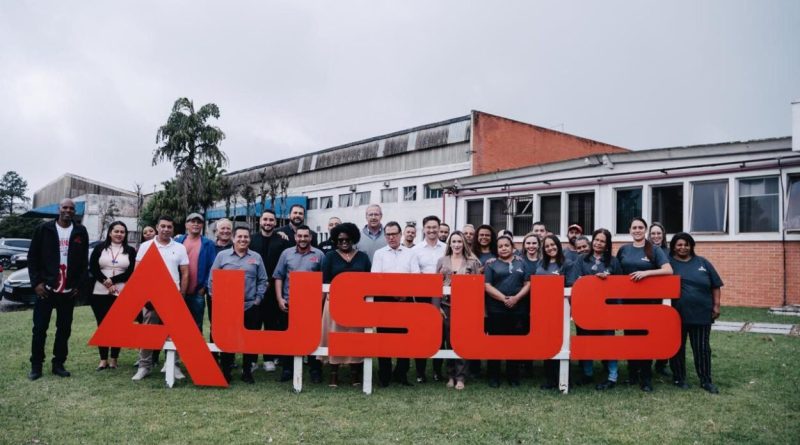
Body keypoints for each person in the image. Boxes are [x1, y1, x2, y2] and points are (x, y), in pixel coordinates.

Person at [27, 198, 89, 380]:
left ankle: (58, 364)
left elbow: (83, 261)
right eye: (65, 207)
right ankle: (36, 366)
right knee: (39, 329)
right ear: (58, 209)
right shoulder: (44, 229)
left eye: (71, 208)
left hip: (68, 292)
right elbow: (32, 257)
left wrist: (79, 286)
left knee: (64, 329)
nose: (68, 211)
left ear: (74, 211)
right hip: (46, 289)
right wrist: (36, 283)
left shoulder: (80, 231)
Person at [616, 217, 673, 392]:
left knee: (645, 340)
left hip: (649, 303)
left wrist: (646, 273)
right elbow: (617, 273)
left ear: (645, 230)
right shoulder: (624, 250)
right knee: (630, 339)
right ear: (630, 230)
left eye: (640, 227)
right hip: (628, 303)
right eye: (634, 228)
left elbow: (668, 270)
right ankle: (633, 375)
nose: (637, 230)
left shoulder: (654, 249)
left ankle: (646, 378)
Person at [132, 216, 189, 381]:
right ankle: (144, 366)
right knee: (148, 333)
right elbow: (138, 272)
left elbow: (185, 273)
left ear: (173, 229)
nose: (166, 229)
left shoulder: (180, 248)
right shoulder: (145, 246)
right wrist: (143, 296)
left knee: (175, 333)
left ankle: (173, 365)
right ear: (157, 227)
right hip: (151, 298)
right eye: (163, 226)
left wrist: (181, 295)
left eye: (169, 227)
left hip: (173, 296)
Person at [209, 226, 268, 384]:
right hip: (228, 306)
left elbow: (263, 280)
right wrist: (218, 300)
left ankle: (247, 371)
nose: (243, 239)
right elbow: (212, 279)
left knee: (249, 340)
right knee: (227, 339)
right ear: (233, 239)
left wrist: (258, 299)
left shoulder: (256, 257)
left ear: (250, 239)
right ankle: (226, 371)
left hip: (250, 306)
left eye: (246, 237)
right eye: (240, 237)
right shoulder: (222, 256)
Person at [668, 232, 723, 394]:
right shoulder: (668, 264)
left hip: (701, 313)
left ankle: (706, 381)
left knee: (702, 348)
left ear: (691, 246)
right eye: (679, 244)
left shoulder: (703, 262)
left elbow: (715, 285)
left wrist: (716, 306)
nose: (683, 247)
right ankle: (679, 378)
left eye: (686, 244)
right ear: (673, 247)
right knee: (677, 348)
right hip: (677, 314)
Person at [320, 223, 371, 387]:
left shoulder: (363, 257)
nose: (344, 242)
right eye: (340, 239)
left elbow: (369, 280)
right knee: (335, 336)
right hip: (335, 303)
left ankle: (355, 374)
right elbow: (324, 280)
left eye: (347, 239)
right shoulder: (329, 256)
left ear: (353, 239)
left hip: (357, 304)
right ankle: (333, 374)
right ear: (335, 240)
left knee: (356, 337)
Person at [273, 225, 325, 383]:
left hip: (311, 304)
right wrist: (280, 299)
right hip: (290, 303)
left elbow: (324, 281)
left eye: (305, 236)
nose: (302, 239)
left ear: (310, 237)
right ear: (295, 237)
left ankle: (315, 370)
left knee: (313, 337)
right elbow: (279, 276)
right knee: (289, 338)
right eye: (300, 236)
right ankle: (288, 369)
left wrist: (320, 301)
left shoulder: (319, 255)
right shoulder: (286, 254)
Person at [371, 221, 420, 387]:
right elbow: (376, 278)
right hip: (384, 301)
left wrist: (404, 294)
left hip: (406, 300)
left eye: (394, 234)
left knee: (404, 338)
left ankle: (401, 373)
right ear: (385, 236)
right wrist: (392, 293)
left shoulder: (410, 253)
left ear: (400, 235)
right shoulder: (379, 254)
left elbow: (416, 277)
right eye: (388, 234)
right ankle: (384, 375)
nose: (391, 237)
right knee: (384, 338)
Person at [574, 228, 623, 390]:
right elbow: (575, 281)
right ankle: (587, 374)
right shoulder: (581, 259)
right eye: (596, 240)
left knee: (608, 342)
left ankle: (612, 376)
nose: (598, 243)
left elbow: (620, 285)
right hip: (586, 308)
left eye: (602, 241)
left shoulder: (613, 261)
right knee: (587, 341)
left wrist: (608, 280)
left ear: (607, 244)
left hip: (607, 309)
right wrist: (590, 280)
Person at [436, 231, 481, 390]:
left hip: (465, 307)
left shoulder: (472, 262)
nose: (456, 245)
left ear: (464, 244)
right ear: (450, 244)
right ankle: (450, 375)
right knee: (449, 342)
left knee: (462, 341)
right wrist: (438, 306)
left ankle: (461, 377)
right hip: (446, 306)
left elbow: (477, 287)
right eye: (453, 241)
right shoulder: (442, 261)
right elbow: (435, 285)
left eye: (459, 241)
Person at [484, 235, 530, 388]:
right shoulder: (491, 264)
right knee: (495, 343)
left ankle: (513, 376)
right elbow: (487, 285)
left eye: (506, 245)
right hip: (496, 309)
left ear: (512, 247)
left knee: (515, 343)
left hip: (518, 309)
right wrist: (504, 299)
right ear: (497, 249)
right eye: (500, 246)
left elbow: (528, 283)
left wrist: (516, 298)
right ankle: (494, 376)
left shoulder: (522, 263)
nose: (503, 248)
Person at [89, 221, 136, 371]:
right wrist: (106, 282)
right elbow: (93, 267)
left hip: (121, 291)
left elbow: (131, 271)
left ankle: (114, 359)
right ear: (110, 232)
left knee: (118, 326)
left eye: (122, 232)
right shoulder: (99, 248)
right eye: (116, 231)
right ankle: (103, 359)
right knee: (102, 325)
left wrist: (113, 281)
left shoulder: (130, 250)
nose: (119, 234)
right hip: (100, 291)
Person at [249, 209, 290, 373]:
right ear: (260, 221)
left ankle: (269, 358)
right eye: (265, 219)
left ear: (275, 222)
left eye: (271, 220)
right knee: (253, 325)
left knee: (271, 325)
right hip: (254, 290)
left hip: (274, 290)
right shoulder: (251, 239)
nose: (268, 222)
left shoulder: (282, 241)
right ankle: (251, 360)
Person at [536, 234, 577, 390]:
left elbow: (571, 286)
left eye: (552, 245)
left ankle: (566, 378)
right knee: (547, 343)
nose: (550, 248)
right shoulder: (541, 263)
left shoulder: (567, 264)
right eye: (547, 246)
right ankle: (550, 379)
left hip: (561, 309)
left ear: (558, 246)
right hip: (544, 309)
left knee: (562, 344)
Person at [412, 215, 447, 383]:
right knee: (421, 334)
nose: (432, 230)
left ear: (439, 228)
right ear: (423, 229)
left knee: (439, 335)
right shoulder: (416, 250)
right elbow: (415, 274)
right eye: (429, 227)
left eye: (435, 227)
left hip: (443, 295)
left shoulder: (446, 248)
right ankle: (420, 372)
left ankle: (437, 372)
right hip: (422, 296)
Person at [175, 213, 217, 331]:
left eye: (199, 222)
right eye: (192, 221)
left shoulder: (208, 244)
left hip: (197, 293)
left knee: (196, 327)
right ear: (186, 225)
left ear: (202, 225)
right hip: (177, 291)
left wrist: (204, 287)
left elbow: (212, 267)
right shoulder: (178, 241)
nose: (196, 224)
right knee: (176, 326)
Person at [648, 221, 671, 377]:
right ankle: (646, 362)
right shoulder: (646, 251)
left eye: (658, 233)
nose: (656, 236)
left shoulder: (669, 252)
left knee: (665, 331)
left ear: (663, 235)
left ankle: (662, 363)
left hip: (667, 296)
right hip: (650, 297)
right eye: (653, 233)